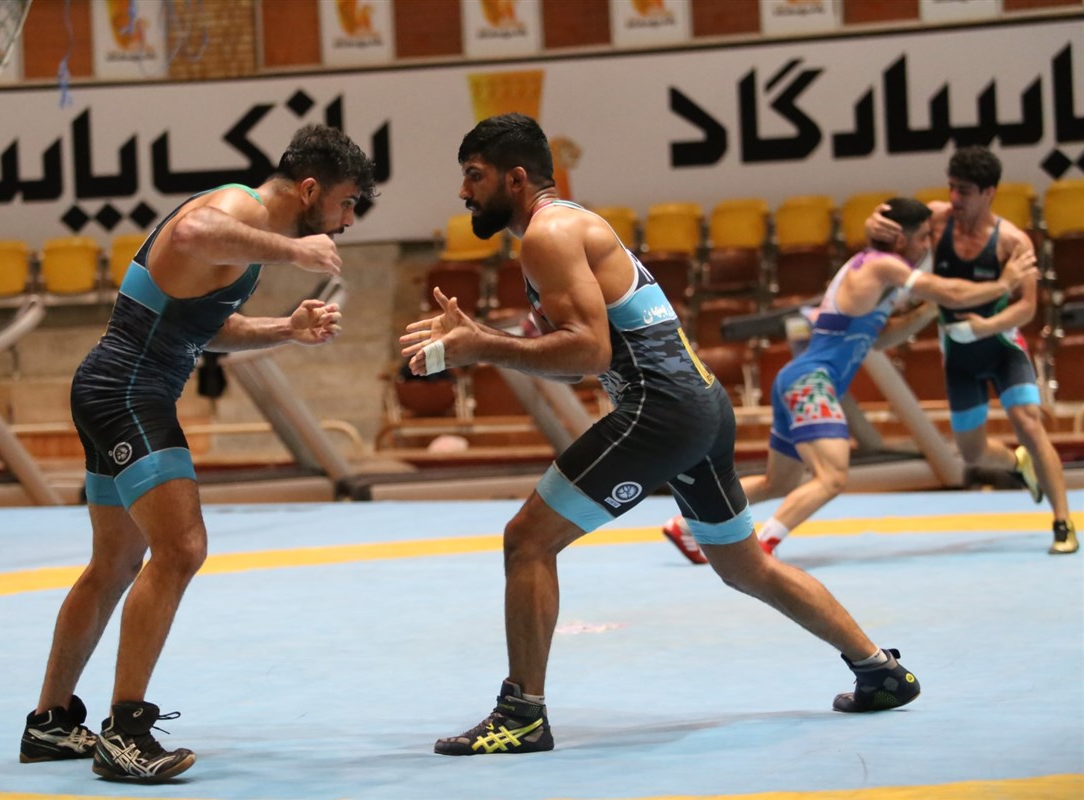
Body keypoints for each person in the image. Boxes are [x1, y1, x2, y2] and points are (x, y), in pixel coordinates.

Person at [400, 113, 921, 757]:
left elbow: (588, 352)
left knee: (527, 540)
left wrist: (482, 346)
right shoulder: (571, 224)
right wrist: (482, 340)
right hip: (698, 404)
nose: (463, 192)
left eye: (473, 176)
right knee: (745, 565)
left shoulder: (549, 234)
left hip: (662, 408)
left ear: (515, 178)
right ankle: (879, 670)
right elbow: (581, 357)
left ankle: (523, 716)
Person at [19, 125, 376, 782]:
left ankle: (50, 724)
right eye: (348, 202)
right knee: (181, 549)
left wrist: (287, 328)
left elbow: (207, 327)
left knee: (114, 564)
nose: (349, 220)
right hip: (127, 394)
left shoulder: (244, 236)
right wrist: (296, 250)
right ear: (310, 189)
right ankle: (126, 733)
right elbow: (189, 234)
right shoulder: (240, 208)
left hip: (114, 390)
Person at [663, 198, 1037, 563]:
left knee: (779, 483)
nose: (926, 245)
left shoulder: (872, 275)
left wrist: (927, 311)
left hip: (797, 380)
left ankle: (685, 525)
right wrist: (1005, 283)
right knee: (832, 477)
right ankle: (762, 548)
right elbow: (951, 291)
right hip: (811, 382)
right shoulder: (883, 265)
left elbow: (880, 340)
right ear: (901, 239)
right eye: (923, 237)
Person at [865, 146, 1076, 555]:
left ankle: (1062, 523)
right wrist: (872, 221)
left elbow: (1027, 307)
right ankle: (1017, 464)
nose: (954, 198)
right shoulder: (937, 219)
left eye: (964, 191)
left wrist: (985, 327)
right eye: (951, 187)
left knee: (1029, 424)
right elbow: (886, 223)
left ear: (988, 193)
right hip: (959, 356)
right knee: (972, 452)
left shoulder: (1012, 241)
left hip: (1002, 346)